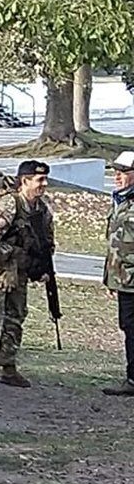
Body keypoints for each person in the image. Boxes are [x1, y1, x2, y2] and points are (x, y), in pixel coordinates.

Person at [0, 160, 54, 387]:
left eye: (45, 179)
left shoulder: (41, 209)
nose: (43, 184)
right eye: (39, 180)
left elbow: (45, 243)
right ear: (24, 181)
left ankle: (8, 367)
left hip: (19, 270)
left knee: (16, 316)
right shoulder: (9, 205)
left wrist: (42, 271)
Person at [102, 152, 134, 396]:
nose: (118, 177)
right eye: (116, 172)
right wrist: (112, 278)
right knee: (129, 327)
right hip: (125, 280)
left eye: (124, 172)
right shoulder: (121, 201)